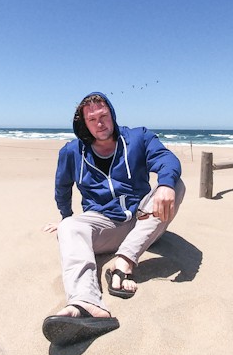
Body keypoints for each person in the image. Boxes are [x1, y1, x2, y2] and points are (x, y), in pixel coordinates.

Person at [42, 92, 185, 340]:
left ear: (112, 114)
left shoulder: (138, 138)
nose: (100, 122)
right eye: (92, 119)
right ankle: (86, 304)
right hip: (105, 225)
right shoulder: (72, 152)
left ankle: (123, 263)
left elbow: (166, 158)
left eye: (104, 115)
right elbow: (62, 187)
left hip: (144, 220)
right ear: (83, 124)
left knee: (176, 185)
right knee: (69, 228)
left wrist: (165, 184)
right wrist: (66, 217)